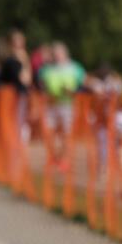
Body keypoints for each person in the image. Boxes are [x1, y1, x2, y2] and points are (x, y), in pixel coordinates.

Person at [39, 41, 85, 170]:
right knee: (49, 132)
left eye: (59, 53)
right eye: (54, 54)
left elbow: (82, 86)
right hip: (51, 104)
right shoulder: (46, 69)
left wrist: (72, 91)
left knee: (66, 133)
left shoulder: (75, 68)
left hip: (67, 105)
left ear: (65, 53)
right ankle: (53, 157)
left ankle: (64, 159)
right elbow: (41, 86)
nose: (56, 56)